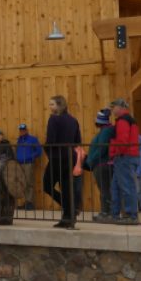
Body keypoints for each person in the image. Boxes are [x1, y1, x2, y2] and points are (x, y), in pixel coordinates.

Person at [43, 95, 81, 228]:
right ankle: (68, 217)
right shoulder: (73, 120)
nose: (50, 107)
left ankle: (69, 208)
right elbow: (78, 141)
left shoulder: (54, 119)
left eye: (52, 104)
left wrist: (46, 150)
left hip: (56, 157)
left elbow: (51, 140)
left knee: (47, 185)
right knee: (65, 188)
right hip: (70, 157)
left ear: (60, 105)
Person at [109, 98, 140, 225]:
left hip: (124, 156)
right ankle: (116, 214)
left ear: (120, 107)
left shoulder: (122, 120)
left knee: (127, 186)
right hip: (127, 155)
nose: (112, 110)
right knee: (115, 186)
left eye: (113, 107)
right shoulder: (130, 120)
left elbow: (122, 140)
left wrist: (117, 152)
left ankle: (131, 215)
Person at [87, 109, 115, 223]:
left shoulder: (106, 131)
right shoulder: (105, 130)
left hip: (102, 164)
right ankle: (106, 212)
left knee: (105, 189)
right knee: (105, 189)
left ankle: (106, 213)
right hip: (101, 163)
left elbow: (102, 148)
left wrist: (91, 160)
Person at [15, 124, 42, 210]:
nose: (22, 131)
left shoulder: (32, 139)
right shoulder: (19, 140)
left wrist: (31, 157)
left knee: (29, 183)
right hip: (19, 164)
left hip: (28, 163)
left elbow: (39, 151)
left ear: (27, 130)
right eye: (20, 130)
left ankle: (30, 203)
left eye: (23, 129)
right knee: (22, 183)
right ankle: (26, 202)